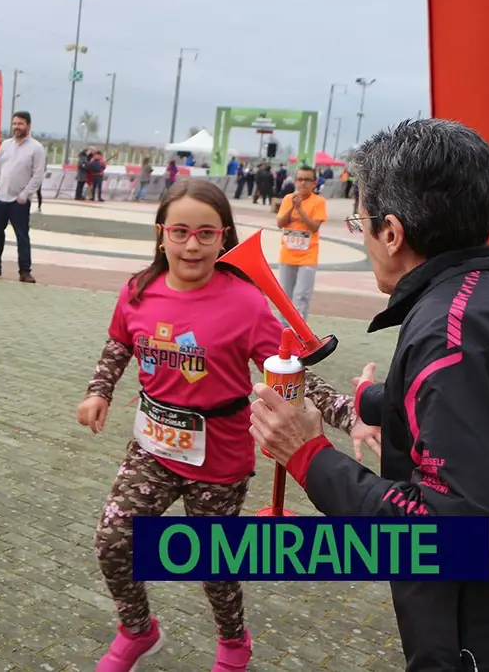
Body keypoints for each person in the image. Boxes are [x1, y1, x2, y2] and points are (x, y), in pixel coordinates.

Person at [75, 180, 362, 672]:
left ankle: (233, 644)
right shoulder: (138, 290)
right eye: (180, 231)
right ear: (161, 233)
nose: (191, 245)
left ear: (223, 236)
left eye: (206, 234)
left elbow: (290, 370)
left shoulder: (244, 302)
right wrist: (99, 391)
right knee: (113, 538)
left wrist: (353, 415)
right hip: (153, 447)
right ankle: (138, 630)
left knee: (214, 563)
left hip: (220, 457)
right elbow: (119, 344)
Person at [251, 119, 489, 671]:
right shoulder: (471, 304)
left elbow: (443, 537)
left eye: (360, 222)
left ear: (392, 232)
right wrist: (372, 402)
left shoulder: (445, 335)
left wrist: (308, 454)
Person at [0, 111, 46, 284]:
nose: (16, 127)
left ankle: (24, 271)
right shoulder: (6, 145)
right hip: (0, 198)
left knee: (22, 236)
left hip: (18, 202)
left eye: (20, 124)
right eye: (14, 124)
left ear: (28, 125)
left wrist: (25, 195)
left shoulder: (36, 148)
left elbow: (38, 175)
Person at [274, 165, 327, 321]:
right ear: (295, 181)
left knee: (301, 296)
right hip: (287, 255)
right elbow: (280, 223)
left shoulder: (319, 202)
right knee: (284, 296)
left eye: (307, 180)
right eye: (299, 179)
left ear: (314, 183)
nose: (303, 183)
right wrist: (292, 206)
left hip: (308, 256)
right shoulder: (287, 199)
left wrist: (300, 209)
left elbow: (314, 227)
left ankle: (299, 333)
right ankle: (283, 330)